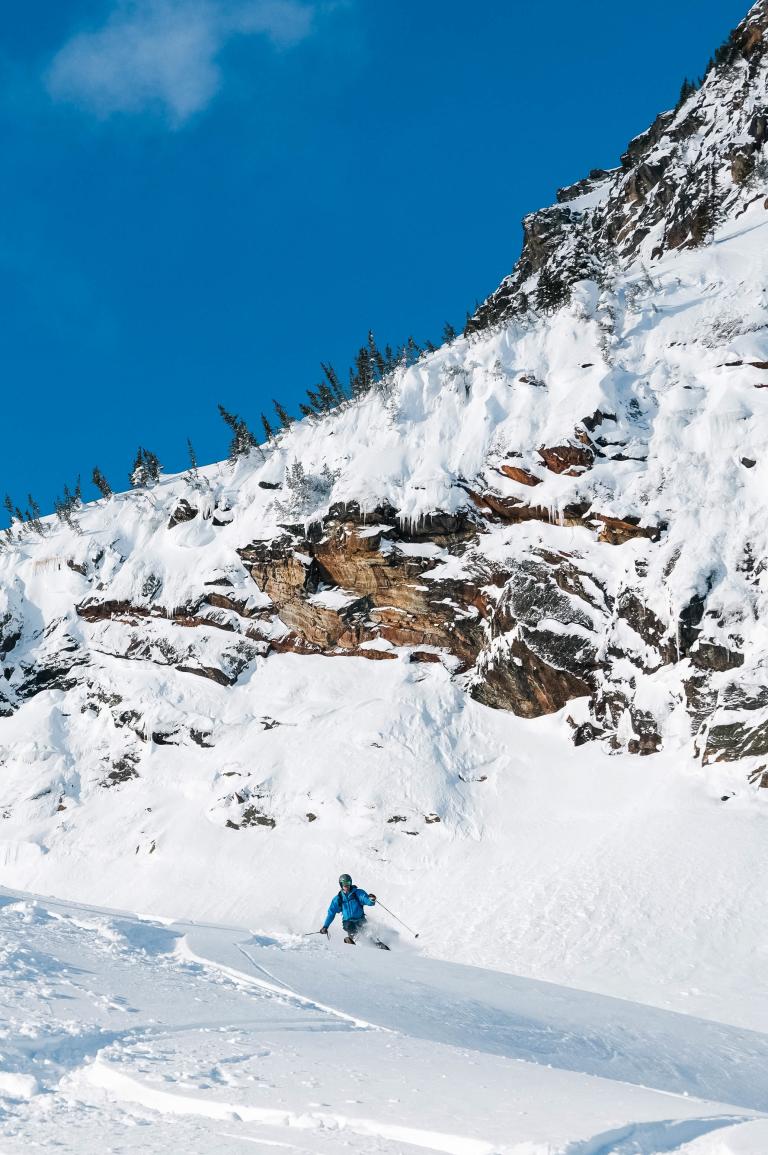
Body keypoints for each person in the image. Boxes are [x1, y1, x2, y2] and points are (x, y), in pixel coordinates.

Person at [320, 873, 379, 945]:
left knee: (367, 931)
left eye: (348, 883)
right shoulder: (338, 899)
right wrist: (325, 926)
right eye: (344, 883)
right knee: (350, 927)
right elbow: (331, 913)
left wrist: (371, 900)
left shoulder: (358, 893)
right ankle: (355, 941)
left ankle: (376, 943)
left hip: (360, 919)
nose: (346, 885)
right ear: (341, 884)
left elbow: (366, 900)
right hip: (348, 921)